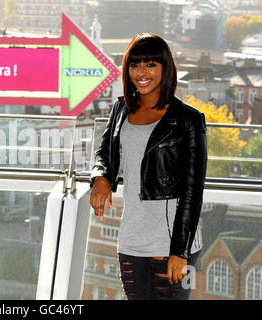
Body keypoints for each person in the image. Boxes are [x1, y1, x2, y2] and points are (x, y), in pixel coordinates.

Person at [89, 33, 207, 300]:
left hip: (171, 243)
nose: (141, 72)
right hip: (131, 238)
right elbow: (103, 153)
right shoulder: (121, 109)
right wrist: (101, 177)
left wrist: (181, 251)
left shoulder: (188, 120)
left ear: (165, 68)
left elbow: (193, 191)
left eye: (150, 64)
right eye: (134, 64)